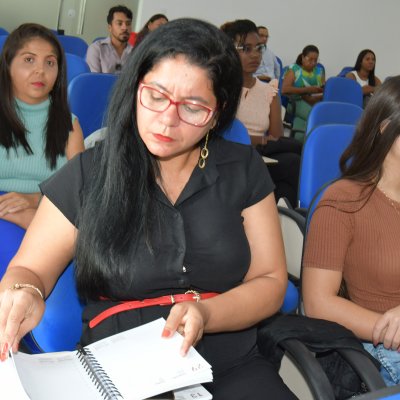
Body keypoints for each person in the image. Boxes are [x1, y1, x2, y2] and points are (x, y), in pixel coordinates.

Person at [0, 19, 296, 399]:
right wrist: (23, 291)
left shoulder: (243, 168)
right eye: (156, 96)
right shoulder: (90, 172)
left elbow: (271, 281)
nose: (168, 120)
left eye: (193, 107)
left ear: (218, 113)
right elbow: (30, 270)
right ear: (136, 86)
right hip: (123, 365)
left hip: (231, 357)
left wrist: (207, 314)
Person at [302, 76, 400, 386]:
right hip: (383, 346)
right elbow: (319, 302)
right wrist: (392, 328)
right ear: (385, 128)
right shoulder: (344, 199)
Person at [0, 23, 84, 229]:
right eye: (29, 60)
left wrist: (34, 201)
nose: (40, 70)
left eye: (50, 63)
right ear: (8, 65)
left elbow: (81, 191)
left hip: (49, 216)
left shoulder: (69, 125)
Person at [221, 19, 301, 208]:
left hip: (260, 152)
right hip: (229, 150)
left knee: (294, 159)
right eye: (246, 49)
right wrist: (261, 140)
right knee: (291, 163)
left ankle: (282, 217)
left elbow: (277, 137)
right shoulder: (221, 88)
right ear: (230, 51)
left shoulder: (269, 91)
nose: (255, 55)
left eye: (259, 48)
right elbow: (221, 132)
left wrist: (261, 142)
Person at [282, 45, 325, 142]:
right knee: (315, 115)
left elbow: (322, 89)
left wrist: (320, 92)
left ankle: (301, 142)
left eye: (316, 60)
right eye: (310, 60)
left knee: (315, 116)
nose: (313, 63)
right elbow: (284, 89)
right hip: (296, 101)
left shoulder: (319, 72)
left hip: (315, 101)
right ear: (302, 57)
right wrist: (307, 90)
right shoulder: (294, 69)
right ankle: (306, 142)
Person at [86, 5, 133, 74]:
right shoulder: (97, 49)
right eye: (119, 23)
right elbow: (94, 80)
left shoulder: (135, 51)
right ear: (110, 27)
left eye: (128, 24)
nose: (125, 28)